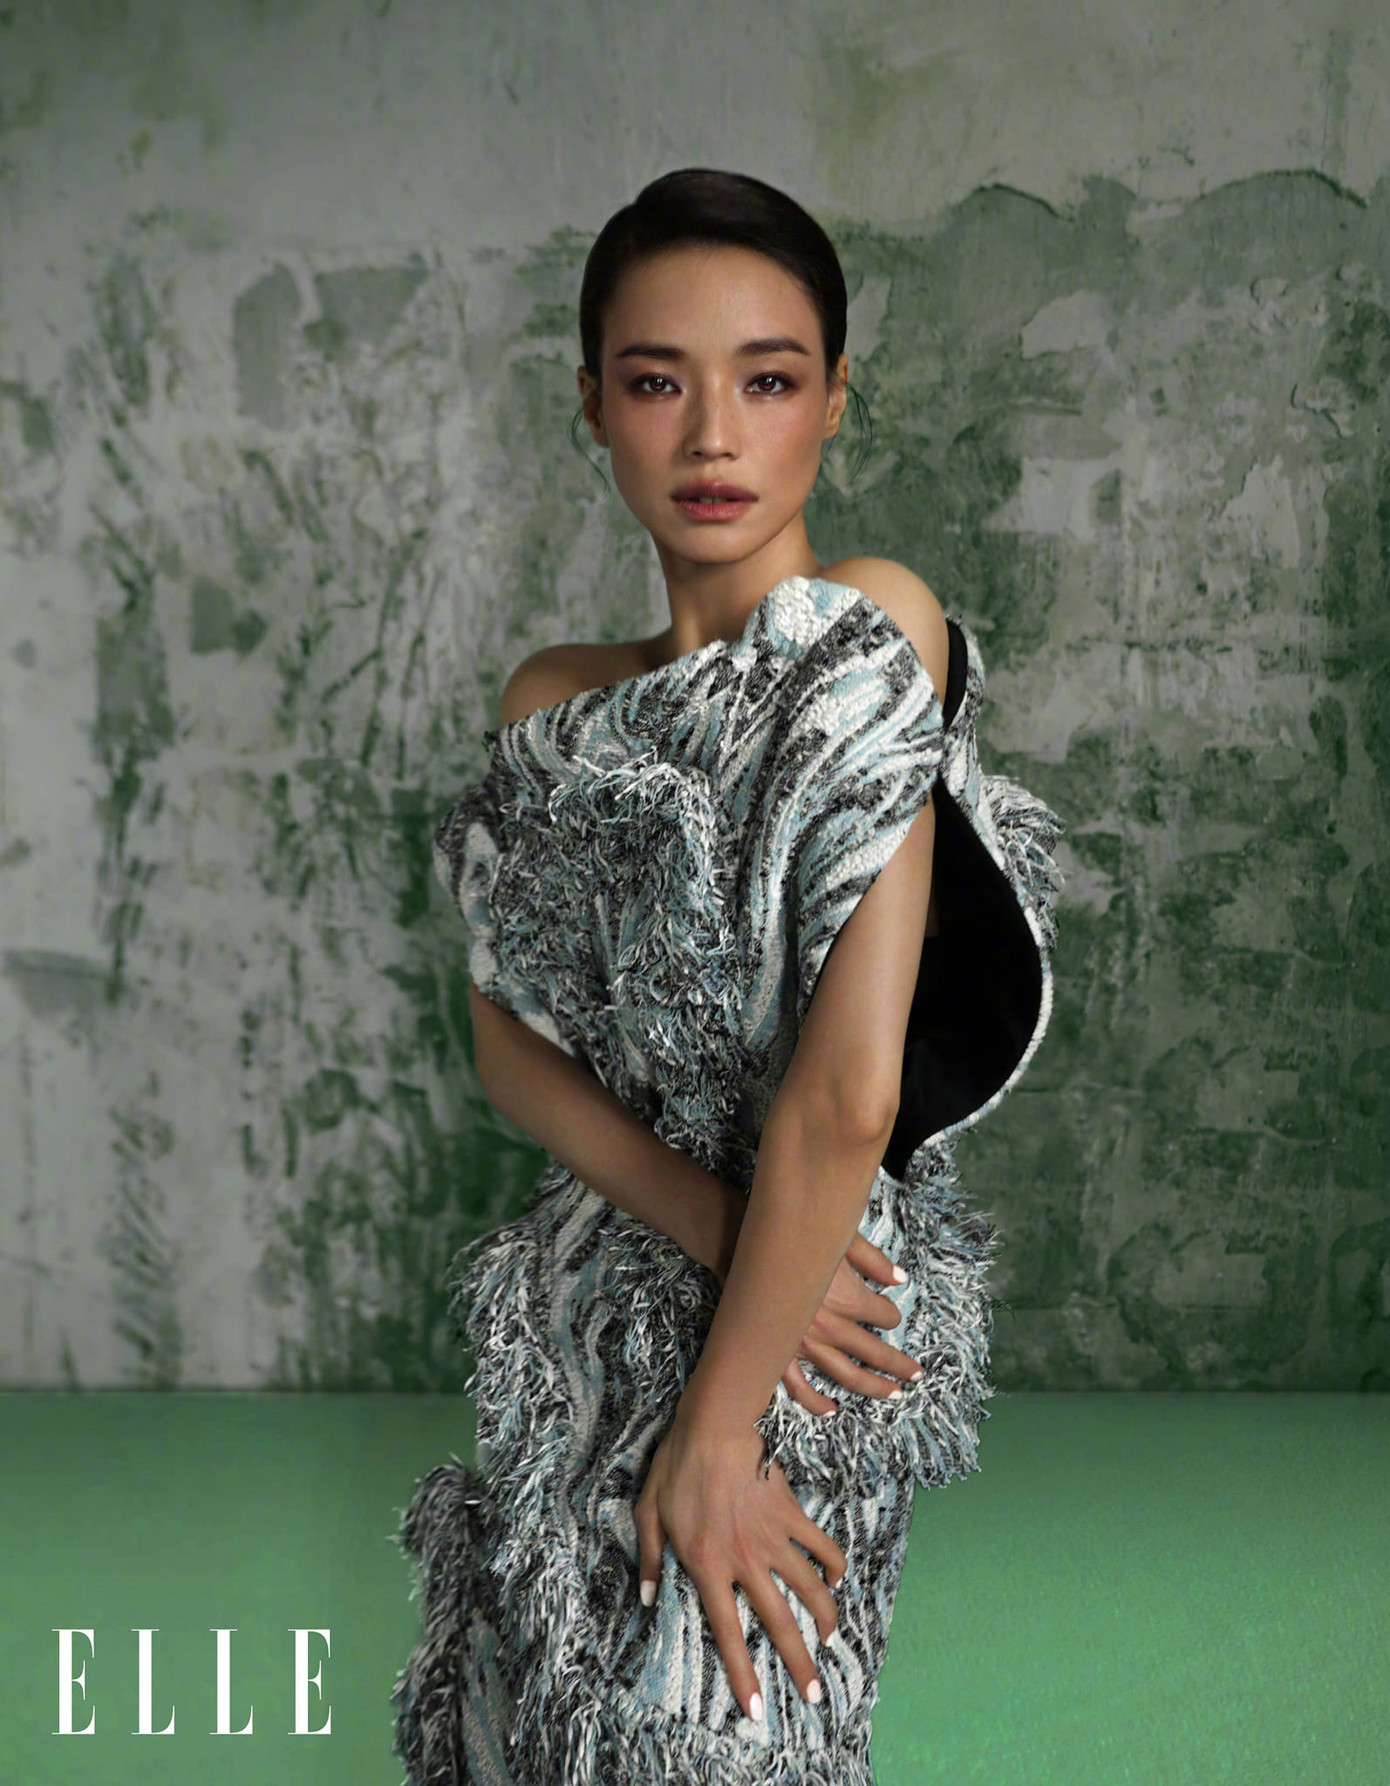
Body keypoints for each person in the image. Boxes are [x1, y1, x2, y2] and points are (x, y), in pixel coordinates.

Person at [390, 166, 1065, 1785]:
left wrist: (714, 1427)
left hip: (805, 1313)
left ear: (832, 400)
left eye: (765, 380)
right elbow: (509, 1044)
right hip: (591, 1303)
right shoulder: (552, 700)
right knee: (528, 1731)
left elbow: (846, 1094)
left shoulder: (867, 632)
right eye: (654, 383)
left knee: (723, 1735)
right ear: (591, 406)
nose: (710, 436)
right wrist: (692, 1220)